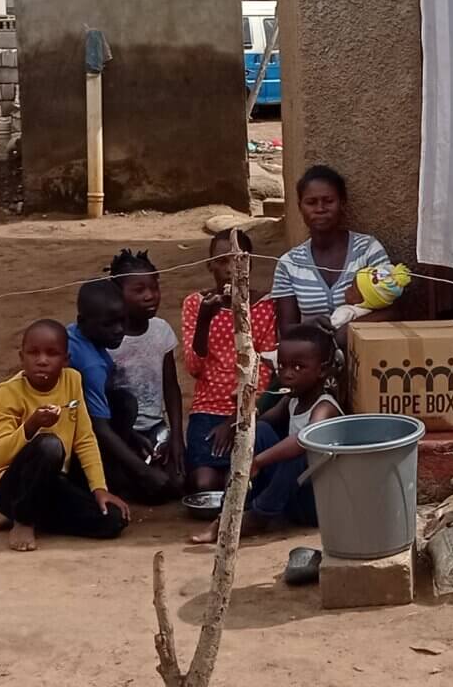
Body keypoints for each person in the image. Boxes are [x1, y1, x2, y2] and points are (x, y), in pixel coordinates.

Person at [191, 323, 340, 544]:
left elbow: (303, 441)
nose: (287, 375)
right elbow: (259, 421)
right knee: (260, 431)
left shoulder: (325, 407)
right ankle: (237, 508)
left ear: (322, 370)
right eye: (282, 367)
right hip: (290, 498)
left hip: (317, 507)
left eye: (298, 367)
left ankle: (255, 518)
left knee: (299, 454)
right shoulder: (291, 400)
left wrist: (258, 462)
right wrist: (243, 404)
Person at [0, 320, 131, 549]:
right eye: (33, 353)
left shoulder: (72, 380)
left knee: (113, 520)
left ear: (66, 360)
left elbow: (85, 439)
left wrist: (99, 489)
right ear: (21, 357)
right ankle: (23, 518)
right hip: (13, 488)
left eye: (52, 354)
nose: (42, 361)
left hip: (53, 482)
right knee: (49, 446)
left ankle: (38, 518)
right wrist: (31, 425)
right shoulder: (9, 391)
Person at [179, 229, 279, 493]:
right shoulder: (195, 304)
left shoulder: (265, 307)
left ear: (250, 263)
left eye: (238, 261)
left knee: (240, 484)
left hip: (252, 409)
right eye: (222, 261)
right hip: (207, 410)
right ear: (209, 265)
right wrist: (204, 320)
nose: (230, 269)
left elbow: (267, 371)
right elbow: (194, 368)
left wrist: (237, 417)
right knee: (205, 484)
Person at [67, 277, 177, 503]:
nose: (119, 330)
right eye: (109, 324)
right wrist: (144, 472)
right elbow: (99, 427)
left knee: (124, 401)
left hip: (77, 421)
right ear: (83, 321)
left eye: (122, 321)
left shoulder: (79, 336)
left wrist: (134, 437)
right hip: (64, 436)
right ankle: (89, 483)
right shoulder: (92, 364)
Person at [269, 166, 394, 330]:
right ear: (300, 207)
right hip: (312, 350)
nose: (320, 209)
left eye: (328, 201)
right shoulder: (289, 264)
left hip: (363, 350)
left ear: (342, 203)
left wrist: (346, 330)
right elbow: (287, 329)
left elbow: (393, 312)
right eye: (311, 202)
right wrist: (311, 327)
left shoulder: (368, 249)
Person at [105, 249, 182, 478]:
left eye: (154, 288)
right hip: (120, 431)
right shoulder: (110, 339)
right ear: (118, 293)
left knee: (178, 482)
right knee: (149, 486)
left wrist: (177, 438)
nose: (150, 296)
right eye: (139, 291)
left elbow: (171, 387)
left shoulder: (161, 330)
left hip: (155, 428)